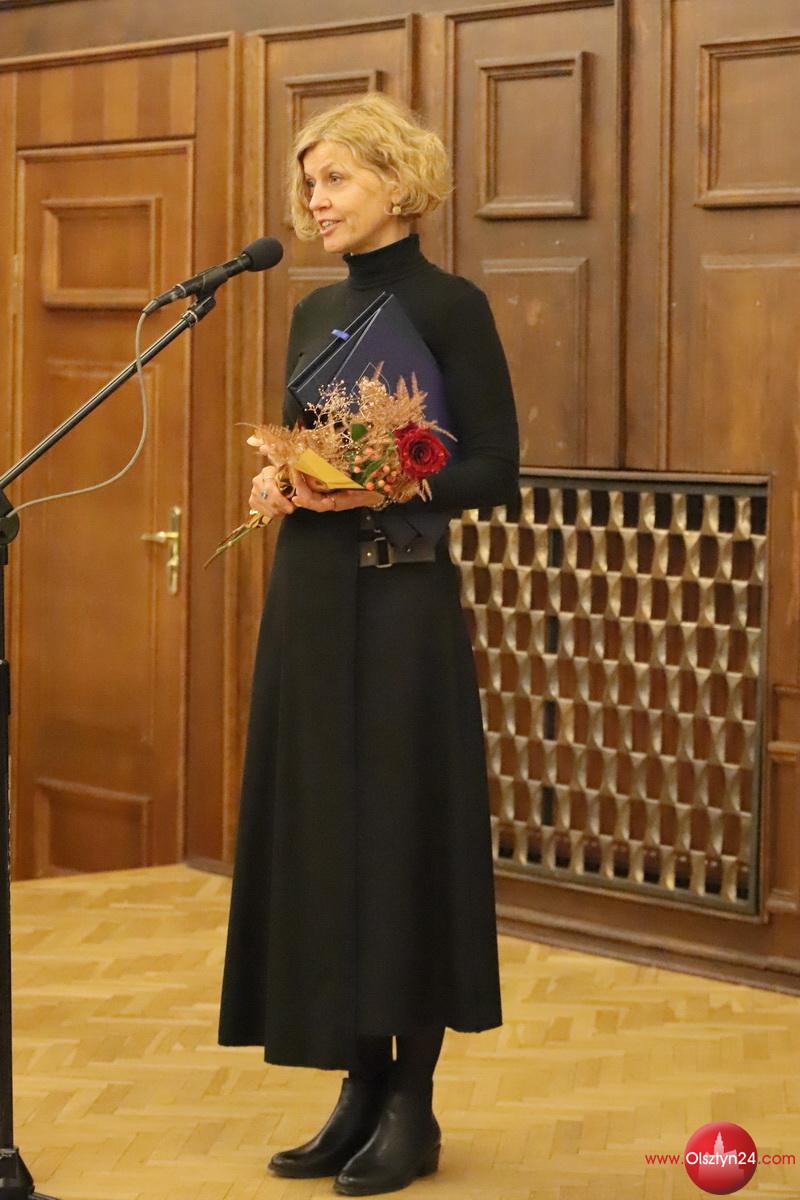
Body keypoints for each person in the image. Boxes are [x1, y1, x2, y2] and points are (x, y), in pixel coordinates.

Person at [217, 92, 520, 1196]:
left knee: (401, 840)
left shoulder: (450, 306)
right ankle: (354, 1086)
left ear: (398, 182)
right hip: (310, 602)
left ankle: (411, 1106)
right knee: (324, 840)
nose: (315, 198)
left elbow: (493, 468)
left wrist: (385, 484)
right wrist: (283, 481)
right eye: (309, 181)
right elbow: (311, 444)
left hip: (401, 608)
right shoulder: (310, 310)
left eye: (335, 177)